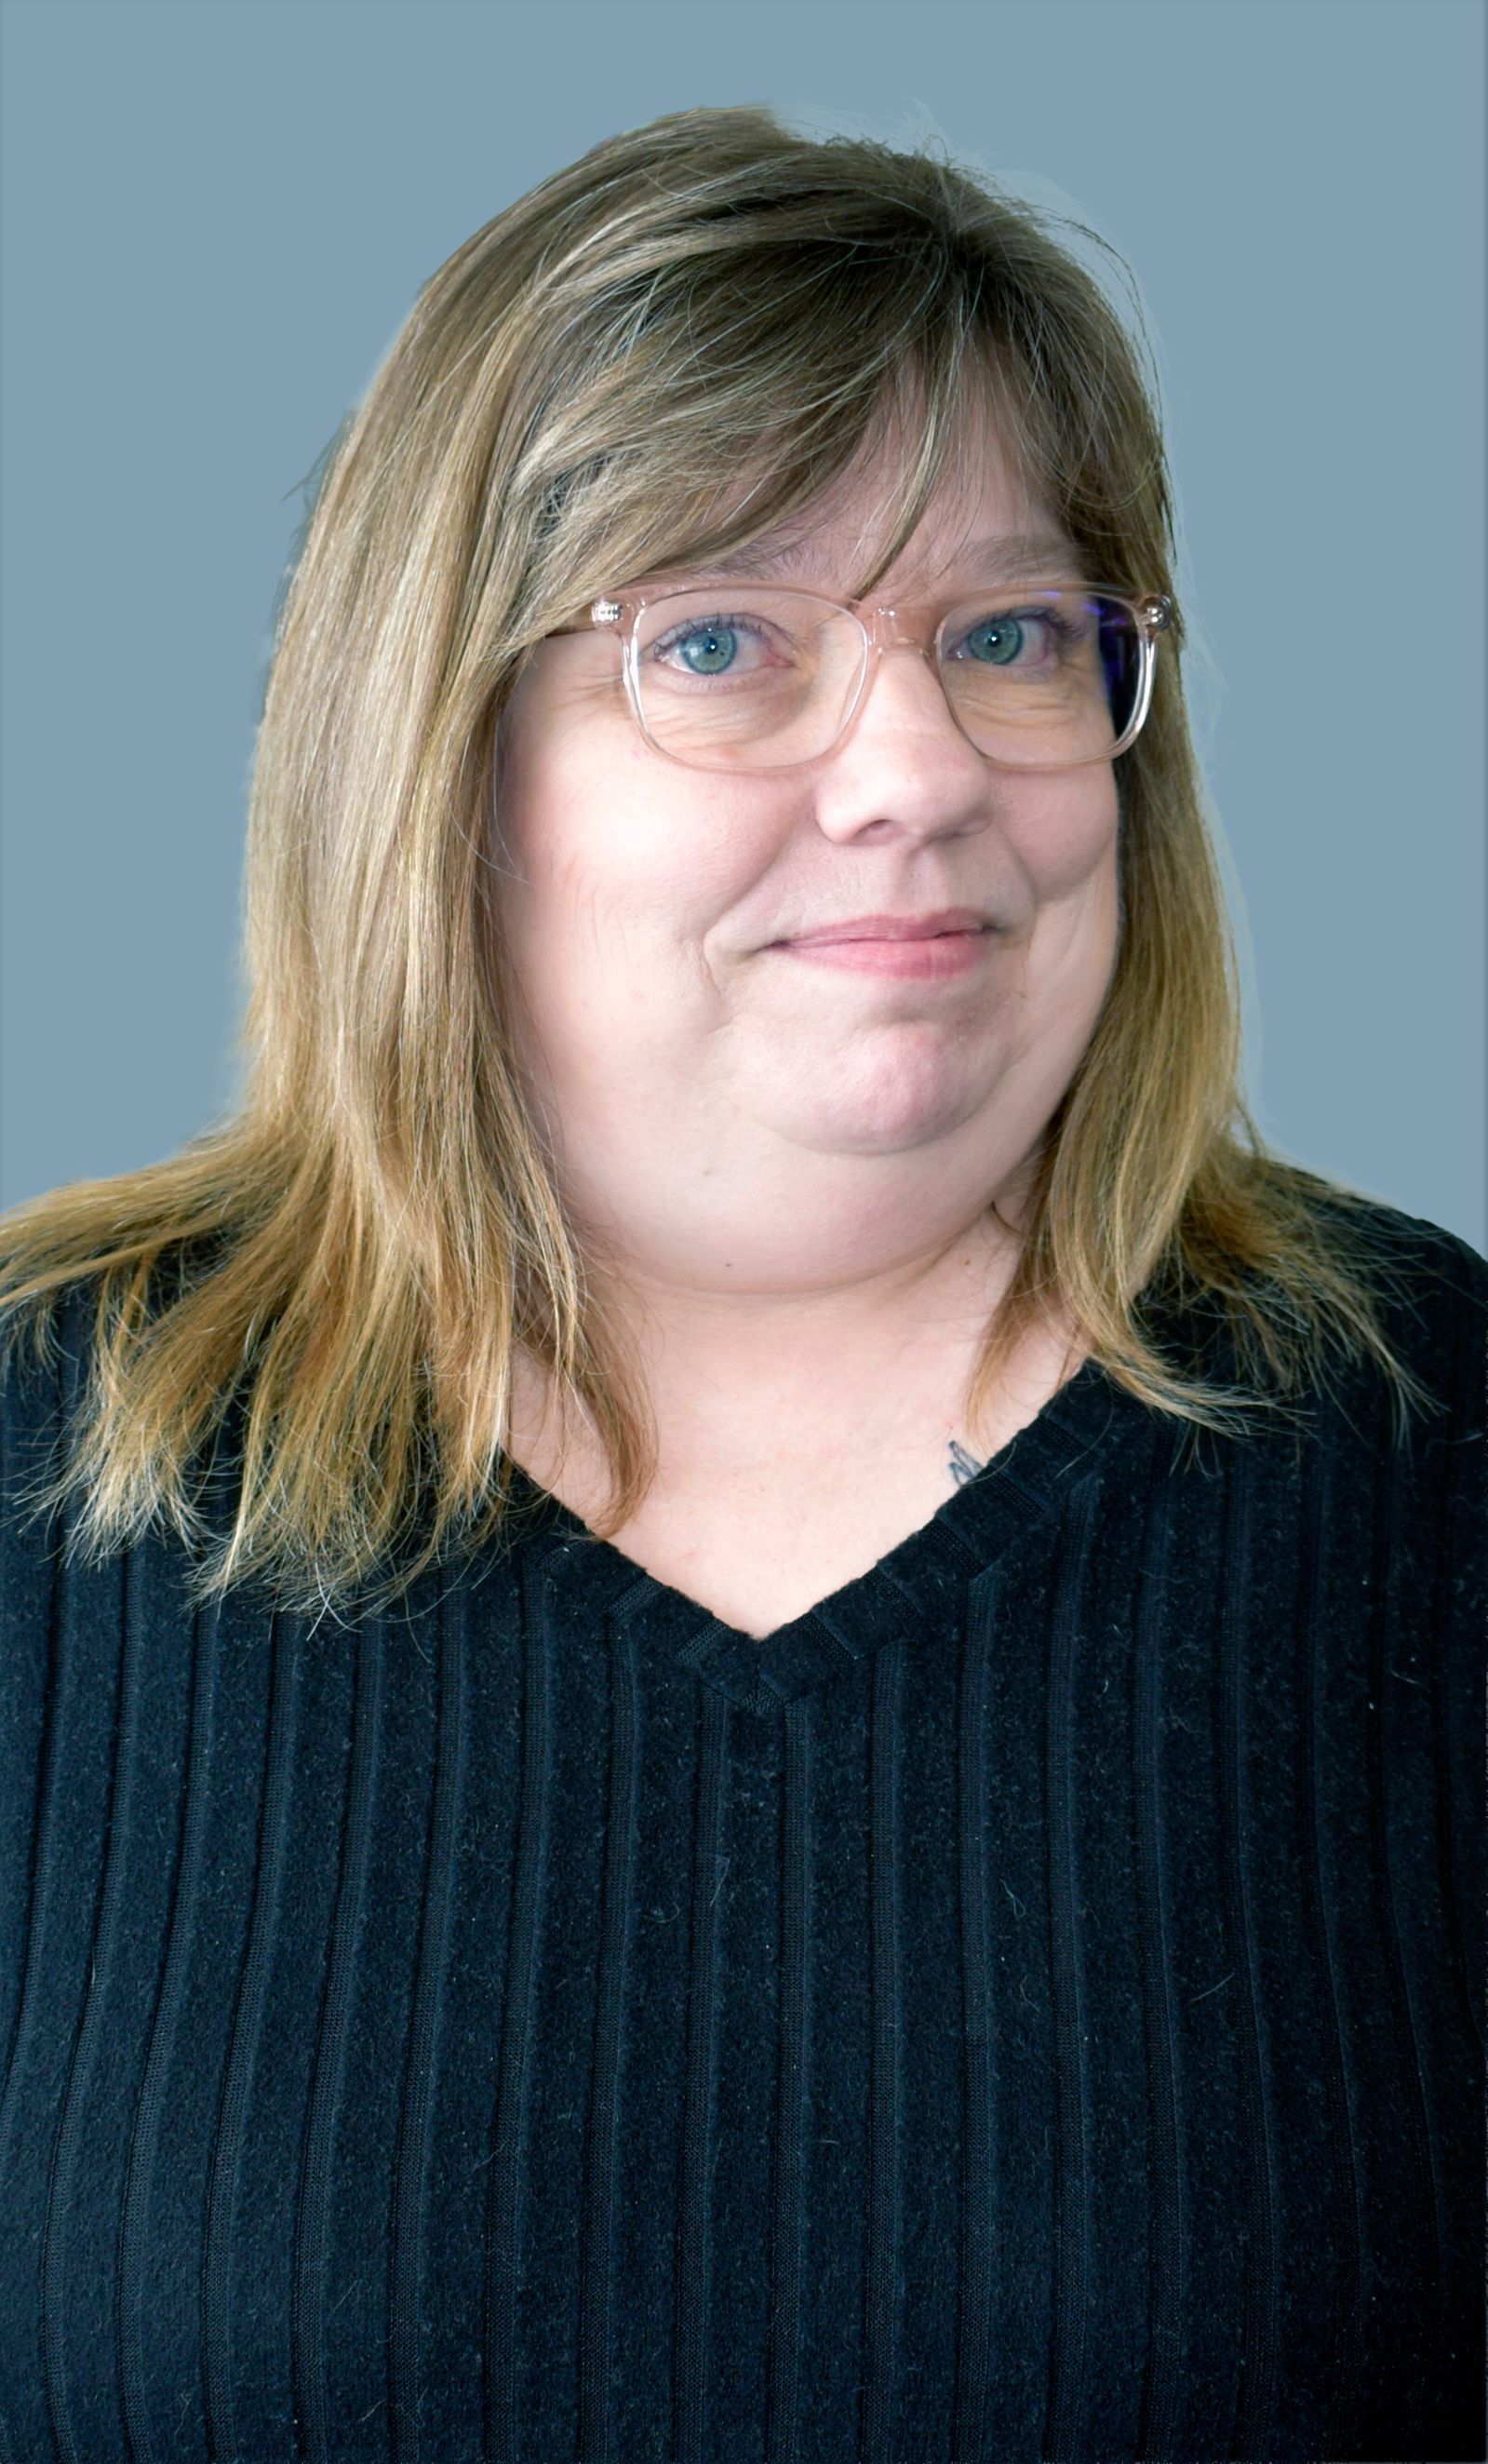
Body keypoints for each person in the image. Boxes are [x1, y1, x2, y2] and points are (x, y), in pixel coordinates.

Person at [0, 102, 1481, 2464]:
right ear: (439, 765)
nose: (915, 766)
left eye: (1004, 631)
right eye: (716, 639)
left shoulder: (1435, 1443)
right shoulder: (41, 1454)